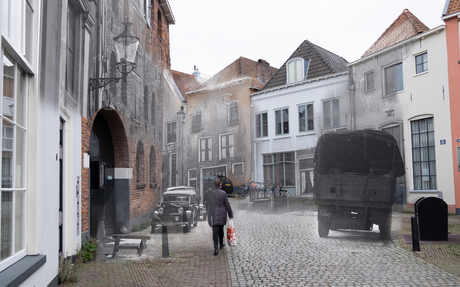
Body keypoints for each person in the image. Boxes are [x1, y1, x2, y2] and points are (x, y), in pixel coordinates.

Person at [205, 177, 233, 256]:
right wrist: (230, 214)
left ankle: (216, 248)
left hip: (214, 214)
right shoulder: (223, 193)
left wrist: (209, 218)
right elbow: (227, 205)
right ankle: (221, 244)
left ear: (213, 185)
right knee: (221, 230)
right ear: (220, 185)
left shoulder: (211, 194)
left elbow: (209, 206)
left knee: (215, 232)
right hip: (222, 214)